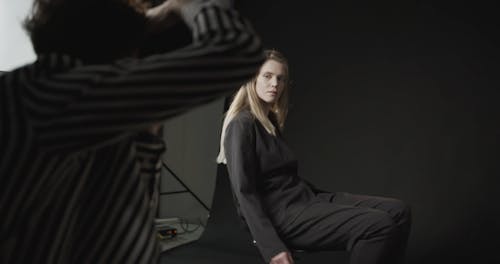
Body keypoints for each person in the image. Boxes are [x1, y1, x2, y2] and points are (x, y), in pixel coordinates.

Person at [0, 0, 264, 263]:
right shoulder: (48, 96)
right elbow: (235, 51)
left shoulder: (78, 116)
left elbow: (119, 223)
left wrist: (146, 135)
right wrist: (188, 6)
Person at [217, 50, 411, 264]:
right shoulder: (241, 125)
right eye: (267, 76)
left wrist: (320, 199)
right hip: (284, 215)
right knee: (379, 225)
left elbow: (282, 178)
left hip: (305, 198)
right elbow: (244, 193)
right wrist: (272, 247)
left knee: (398, 211)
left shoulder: (268, 121)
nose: (275, 84)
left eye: (281, 79)